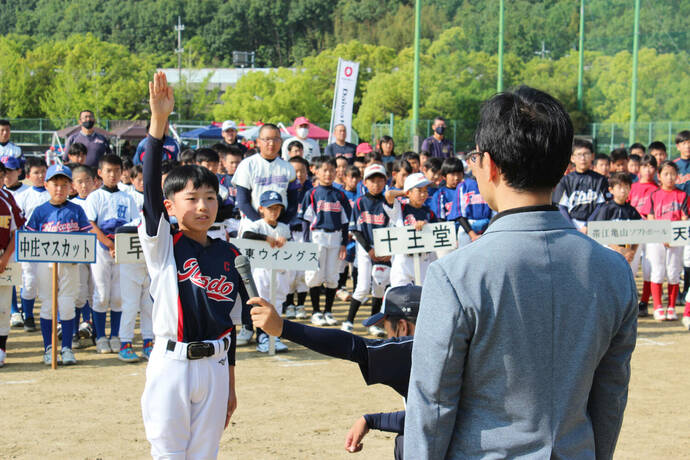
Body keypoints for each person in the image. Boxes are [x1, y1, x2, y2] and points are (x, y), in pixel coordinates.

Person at [405, 86, 637, 459]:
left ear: (491, 165)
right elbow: (610, 395)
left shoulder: (455, 274)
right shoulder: (614, 270)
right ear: (564, 167)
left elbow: (433, 402)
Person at [140, 71, 245, 459]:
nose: (202, 206)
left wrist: (231, 383)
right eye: (191, 198)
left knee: (206, 455)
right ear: (170, 207)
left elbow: (229, 324)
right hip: (172, 365)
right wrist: (158, 125)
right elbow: (151, 190)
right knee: (168, 453)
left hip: (216, 365)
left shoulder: (228, 254)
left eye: (210, 197)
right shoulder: (164, 244)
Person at [250, 284, 421, 460]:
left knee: (407, 441)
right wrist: (372, 420)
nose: (388, 338)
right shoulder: (445, 344)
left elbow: (352, 346)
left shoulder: (416, 348)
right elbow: (427, 418)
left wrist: (283, 328)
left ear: (402, 327)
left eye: (386, 329)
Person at [26, 164, 92, 365]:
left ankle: (66, 348)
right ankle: (49, 347)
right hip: (45, 266)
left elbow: (85, 237)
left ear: (71, 187)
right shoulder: (39, 211)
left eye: (64, 185)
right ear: (46, 185)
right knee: (47, 305)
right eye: (55, 184)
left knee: (67, 306)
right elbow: (30, 239)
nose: (59, 189)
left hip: (71, 266)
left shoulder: (76, 210)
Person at [85, 154, 139, 354]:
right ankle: (100, 337)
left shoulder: (128, 197)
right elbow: (91, 224)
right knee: (100, 294)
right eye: (109, 171)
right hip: (101, 251)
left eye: (117, 170)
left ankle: (115, 335)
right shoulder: (95, 197)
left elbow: (135, 223)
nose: (113, 175)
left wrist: (120, 245)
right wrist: (108, 243)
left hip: (123, 251)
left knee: (118, 296)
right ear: (100, 173)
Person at [344, 164, 401, 336]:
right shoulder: (360, 202)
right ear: (365, 182)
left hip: (383, 248)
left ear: (386, 181)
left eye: (380, 180)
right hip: (364, 248)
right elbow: (355, 229)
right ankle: (348, 321)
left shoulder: (388, 202)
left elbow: (394, 226)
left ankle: (374, 323)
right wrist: (369, 250)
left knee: (380, 286)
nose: (376, 184)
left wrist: (388, 251)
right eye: (372, 181)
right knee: (362, 287)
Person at [298, 156, 352, 326]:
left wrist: (344, 242)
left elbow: (345, 222)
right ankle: (315, 311)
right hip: (317, 236)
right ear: (317, 171)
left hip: (335, 237)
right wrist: (307, 244)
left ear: (336, 172)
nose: (328, 174)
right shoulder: (312, 193)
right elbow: (305, 222)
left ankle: (328, 311)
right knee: (314, 275)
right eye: (324, 170)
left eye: (331, 170)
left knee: (332, 275)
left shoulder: (340, 195)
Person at [241, 190, 291, 353]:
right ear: (261, 208)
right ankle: (262, 336)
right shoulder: (256, 225)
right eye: (270, 208)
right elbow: (246, 235)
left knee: (277, 302)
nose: (274, 212)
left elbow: (293, 244)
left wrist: (286, 241)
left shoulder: (284, 227)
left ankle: (274, 335)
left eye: (277, 208)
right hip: (261, 271)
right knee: (261, 301)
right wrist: (265, 238)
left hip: (279, 271)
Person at [640, 160, 688, 321]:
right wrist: (662, 236)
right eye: (666, 174)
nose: (670, 177)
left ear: (678, 176)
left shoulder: (682, 195)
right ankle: (658, 306)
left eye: (673, 174)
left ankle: (672, 306)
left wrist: (672, 236)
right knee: (657, 271)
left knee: (674, 272)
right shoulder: (654, 194)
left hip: (676, 238)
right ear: (659, 176)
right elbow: (651, 217)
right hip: (656, 238)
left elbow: (684, 218)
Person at [15, 157, 49, 333]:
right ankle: (27, 315)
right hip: (30, 242)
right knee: (29, 281)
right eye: (36, 172)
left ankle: (52, 316)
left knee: (49, 281)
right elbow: (19, 221)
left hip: (51, 244)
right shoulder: (24, 195)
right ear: (28, 175)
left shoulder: (53, 193)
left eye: (43, 171)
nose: (41, 175)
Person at [390, 173, 436, 287]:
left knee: (423, 294)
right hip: (403, 259)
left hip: (423, 259)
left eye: (425, 191)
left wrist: (426, 225)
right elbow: (388, 195)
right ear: (408, 192)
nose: (423, 194)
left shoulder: (428, 212)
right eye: (419, 190)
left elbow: (436, 232)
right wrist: (405, 191)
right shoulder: (400, 208)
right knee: (399, 294)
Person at [553, 138, 608, 232]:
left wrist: (588, 226)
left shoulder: (600, 180)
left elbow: (601, 205)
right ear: (572, 158)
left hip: (594, 227)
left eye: (586, 154)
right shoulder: (565, 180)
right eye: (579, 154)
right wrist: (572, 227)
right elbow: (561, 207)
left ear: (592, 156)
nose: (583, 158)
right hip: (571, 225)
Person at [588, 172, 641, 267]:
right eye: (619, 187)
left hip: (627, 254)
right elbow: (598, 233)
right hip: (608, 253)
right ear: (611, 190)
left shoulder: (632, 211)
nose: (623, 190)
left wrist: (631, 251)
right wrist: (617, 248)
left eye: (626, 187)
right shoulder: (606, 209)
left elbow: (640, 234)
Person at [69, 164, 97, 347]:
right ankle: (73, 331)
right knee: (78, 293)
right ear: (73, 185)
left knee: (97, 293)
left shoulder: (98, 199)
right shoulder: (72, 205)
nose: (84, 185)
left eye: (88, 181)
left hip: (98, 254)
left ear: (94, 182)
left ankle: (95, 329)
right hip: (79, 255)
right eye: (80, 182)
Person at [628, 154, 659, 317]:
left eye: (651, 166)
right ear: (639, 169)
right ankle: (631, 300)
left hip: (651, 230)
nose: (648, 170)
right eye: (645, 166)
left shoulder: (658, 188)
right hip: (633, 230)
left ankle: (644, 302)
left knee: (649, 267)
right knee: (631, 267)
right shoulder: (632, 187)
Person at [0, 165, 19, 367]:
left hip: (3, 258)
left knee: (3, 307)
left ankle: (1, 349)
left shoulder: (7, 199)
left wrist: (5, 257)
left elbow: (16, 233)